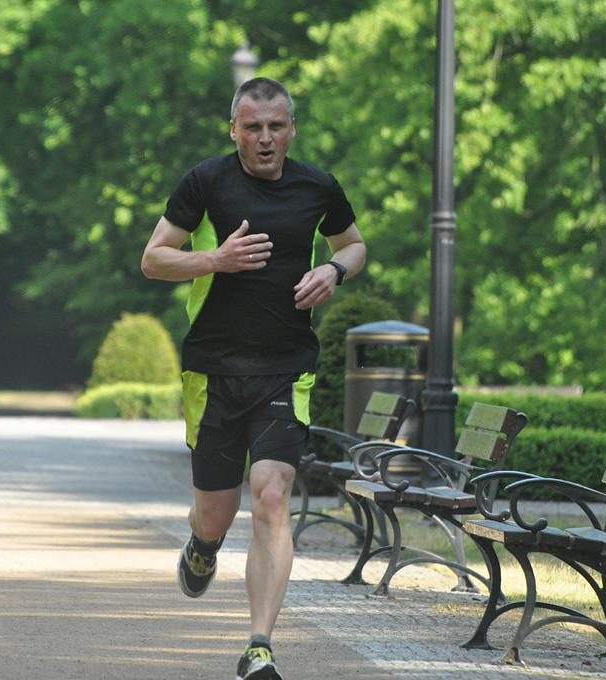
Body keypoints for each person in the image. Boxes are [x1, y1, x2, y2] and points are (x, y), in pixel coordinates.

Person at [141, 76, 365, 680]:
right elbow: (154, 258)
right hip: (213, 369)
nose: (265, 138)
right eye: (253, 127)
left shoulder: (318, 186)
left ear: (292, 129)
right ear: (234, 130)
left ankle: (259, 645)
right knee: (214, 514)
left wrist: (333, 271)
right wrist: (215, 260)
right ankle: (203, 545)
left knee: (270, 494)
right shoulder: (205, 182)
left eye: (276, 126)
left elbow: (354, 244)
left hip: (285, 368)